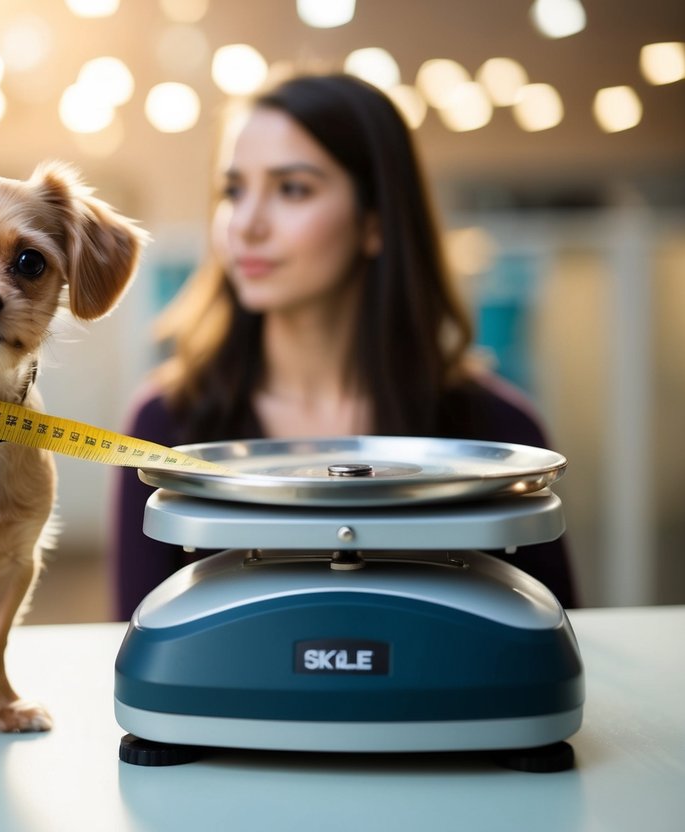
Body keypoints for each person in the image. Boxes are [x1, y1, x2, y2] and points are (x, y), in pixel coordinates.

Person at [111, 73, 577, 620]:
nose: (246, 224)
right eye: (233, 191)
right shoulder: (164, 427)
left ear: (376, 221)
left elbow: (558, 644)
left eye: (292, 189)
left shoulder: (501, 436)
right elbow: (137, 645)